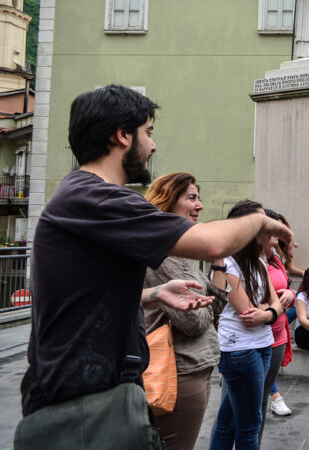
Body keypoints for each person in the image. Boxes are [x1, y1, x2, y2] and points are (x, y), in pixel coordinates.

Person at [20, 85, 292, 425]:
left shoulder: (85, 195)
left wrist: (155, 293)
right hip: (81, 401)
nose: (153, 145)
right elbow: (213, 244)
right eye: (147, 132)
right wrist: (261, 220)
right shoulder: (97, 198)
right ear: (122, 135)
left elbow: (85, 293)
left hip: (91, 392)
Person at [143, 172, 229, 450]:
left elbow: (215, 306)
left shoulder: (182, 254)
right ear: (168, 202)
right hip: (178, 370)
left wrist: (218, 260)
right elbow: (194, 323)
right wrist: (208, 307)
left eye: (199, 198)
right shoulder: (163, 257)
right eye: (191, 198)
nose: (200, 205)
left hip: (197, 366)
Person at [209, 200, 285, 449]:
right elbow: (247, 313)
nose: (268, 227)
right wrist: (270, 310)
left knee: (229, 420)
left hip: (263, 344)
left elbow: (275, 302)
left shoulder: (259, 262)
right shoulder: (227, 264)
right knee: (251, 424)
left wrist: (268, 312)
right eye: (261, 222)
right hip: (240, 350)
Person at [258, 209, 296, 437]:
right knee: (241, 408)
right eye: (274, 227)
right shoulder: (243, 261)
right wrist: (274, 308)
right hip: (253, 340)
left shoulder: (275, 258)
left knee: (261, 404)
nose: (280, 232)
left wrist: (290, 294)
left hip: (277, 338)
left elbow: (287, 288)